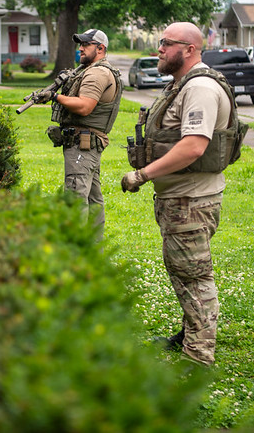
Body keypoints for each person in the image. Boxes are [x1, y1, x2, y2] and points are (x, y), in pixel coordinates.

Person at [121, 22, 237, 366]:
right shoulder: (182, 85)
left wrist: (142, 174)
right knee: (184, 270)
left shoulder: (199, 88)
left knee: (194, 276)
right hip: (181, 198)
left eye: (166, 44)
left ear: (189, 49)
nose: (159, 49)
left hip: (190, 200)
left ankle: (198, 355)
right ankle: (190, 334)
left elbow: (193, 147)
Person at [36, 28, 122, 236]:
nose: (80, 49)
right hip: (86, 145)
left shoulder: (97, 73)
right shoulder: (91, 70)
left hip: (82, 146)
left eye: (85, 45)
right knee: (93, 201)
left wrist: (55, 97)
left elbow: (84, 106)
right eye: (80, 45)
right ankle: (93, 254)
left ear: (100, 48)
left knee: (75, 200)